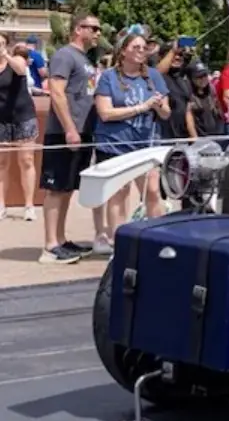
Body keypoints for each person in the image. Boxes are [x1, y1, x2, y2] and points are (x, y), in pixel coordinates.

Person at [94, 32, 171, 245]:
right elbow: (105, 113)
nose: (141, 52)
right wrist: (141, 108)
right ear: (123, 51)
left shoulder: (154, 76)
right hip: (115, 144)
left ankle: (159, 239)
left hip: (145, 145)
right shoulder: (109, 77)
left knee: (153, 190)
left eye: (144, 48)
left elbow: (166, 113)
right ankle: (119, 241)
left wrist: (159, 106)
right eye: (136, 47)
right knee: (119, 192)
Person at [38, 13, 102, 264]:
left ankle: (61, 239)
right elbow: (56, 92)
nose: (98, 32)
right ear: (78, 29)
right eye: (93, 28)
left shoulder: (84, 59)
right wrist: (69, 128)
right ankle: (49, 245)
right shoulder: (65, 55)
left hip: (82, 132)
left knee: (67, 188)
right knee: (56, 188)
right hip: (64, 132)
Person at [0, 35, 39, 221]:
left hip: (23, 116)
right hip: (1, 120)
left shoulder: (16, 59)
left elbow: (21, 70)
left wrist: (5, 56)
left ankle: (29, 205)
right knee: (2, 163)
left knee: (26, 160)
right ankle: (1, 204)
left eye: (0, 43)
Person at [183, 61, 226, 140]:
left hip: (217, 136)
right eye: (199, 77)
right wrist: (195, 139)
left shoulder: (211, 89)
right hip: (199, 139)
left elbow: (219, 111)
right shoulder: (188, 93)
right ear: (191, 78)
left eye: (205, 75)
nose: (203, 79)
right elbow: (189, 119)